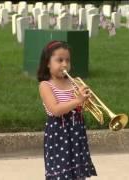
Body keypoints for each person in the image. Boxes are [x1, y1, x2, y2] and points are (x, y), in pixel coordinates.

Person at [37, 40, 97, 180]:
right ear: (47, 63)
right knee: (60, 171)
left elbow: (81, 106)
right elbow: (55, 110)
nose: (65, 64)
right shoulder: (46, 85)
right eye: (60, 60)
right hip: (58, 132)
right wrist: (78, 100)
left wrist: (87, 100)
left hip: (76, 131)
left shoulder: (74, 82)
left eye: (67, 60)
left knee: (77, 171)